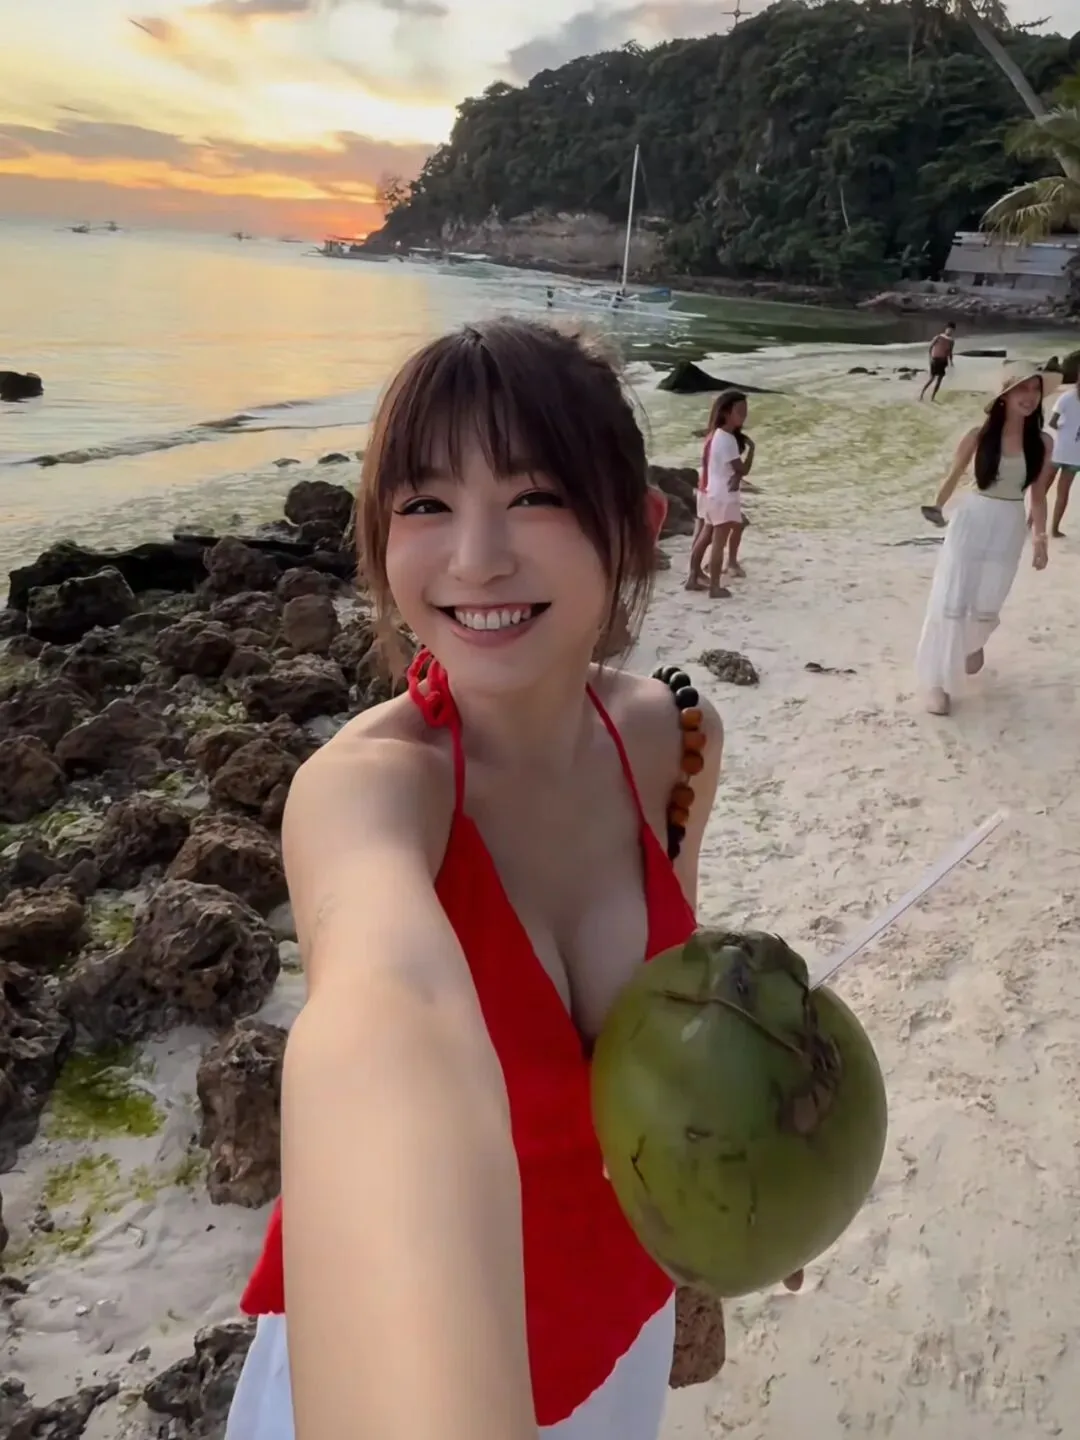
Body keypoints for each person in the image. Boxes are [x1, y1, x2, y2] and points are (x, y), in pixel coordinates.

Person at [224, 318, 747, 1440]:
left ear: (637, 526)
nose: (475, 558)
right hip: (398, 1363)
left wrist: (765, 1175)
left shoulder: (674, 738)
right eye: (424, 504)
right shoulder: (366, 794)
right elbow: (387, 1023)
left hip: (623, 1335)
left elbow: (676, 1016)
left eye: (535, 495)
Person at [915, 360, 1052, 716]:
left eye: (1035, 389)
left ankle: (971, 644)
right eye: (1022, 389)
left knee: (990, 596)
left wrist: (1040, 538)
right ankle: (938, 684)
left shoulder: (1042, 442)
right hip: (972, 519)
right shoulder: (979, 435)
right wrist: (937, 506)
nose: (1030, 396)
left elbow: (1038, 495)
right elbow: (954, 474)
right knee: (951, 596)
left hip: (1009, 524)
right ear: (1005, 395)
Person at [685, 390, 751, 597]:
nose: (744, 415)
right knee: (718, 543)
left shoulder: (715, 435)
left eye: (745, 410)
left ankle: (693, 577)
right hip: (724, 496)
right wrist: (752, 450)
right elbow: (742, 469)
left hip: (711, 492)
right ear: (725, 412)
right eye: (740, 411)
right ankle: (715, 586)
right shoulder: (728, 439)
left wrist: (737, 475)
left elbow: (721, 467)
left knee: (705, 536)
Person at [1046, 370, 1080, 537]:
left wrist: (1064, 429)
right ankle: (1054, 529)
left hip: (1059, 449)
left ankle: (1030, 522)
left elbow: (1052, 422)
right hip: (1076, 454)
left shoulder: (1067, 397)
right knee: (1063, 493)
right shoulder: (1067, 397)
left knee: (1043, 488)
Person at [919, 322, 956, 402]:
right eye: (949, 329)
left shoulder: (951, 341)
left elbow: (950, 352)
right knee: (932, 378)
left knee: (939, 380)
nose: (950, 331)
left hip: (943, 361)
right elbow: (930, 347)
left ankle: (932, 397)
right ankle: (921, 394)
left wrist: (951, 361)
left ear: (953, 331)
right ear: (946, 329)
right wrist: (930, 358)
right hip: (935, 359)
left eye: (951, 330)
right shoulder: (938, 337)